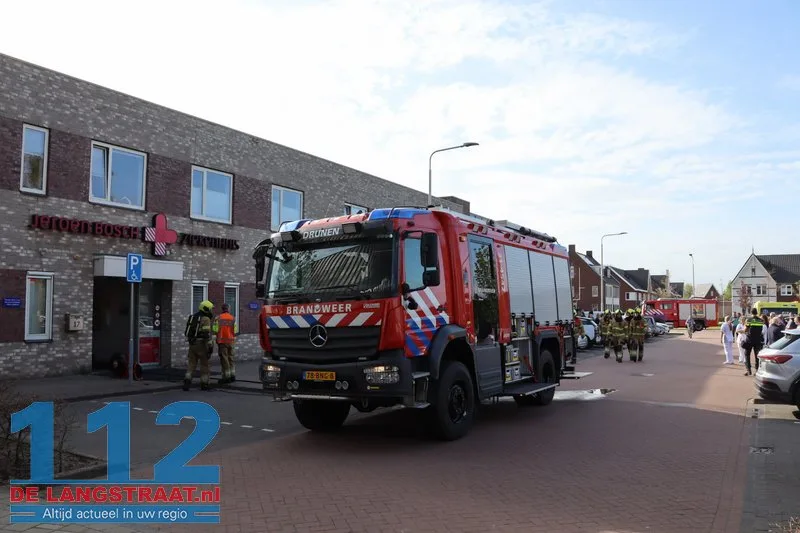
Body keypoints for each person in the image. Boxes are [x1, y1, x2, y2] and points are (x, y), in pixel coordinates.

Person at [184, 300, 215, 391]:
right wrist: (210, 346)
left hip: (192, 344)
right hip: (202, 344)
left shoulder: (193, 317)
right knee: (204, 365)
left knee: (191, 364)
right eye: (210, 309)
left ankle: (187, 380)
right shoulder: (206, 319)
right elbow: (206, 334)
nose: (211, 311)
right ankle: (204, 384)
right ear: (206, 309)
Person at [213, 303, 239, 384]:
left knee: (224, 359)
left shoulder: (218, 318)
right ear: (228, 309)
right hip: (231, 341)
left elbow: (215, 330)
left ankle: (226, 377)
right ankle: (232, 375)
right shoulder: (232, 318)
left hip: (222, 341)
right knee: (231, 358)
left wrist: (215, 323)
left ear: (222, 309)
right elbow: (235, 331)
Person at [742, 308, 765, 376]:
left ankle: (749, 371)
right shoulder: (761, 320)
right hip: (758, 340)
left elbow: (746, 330)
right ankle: (757, 370)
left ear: (751, 313)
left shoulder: (749, 320)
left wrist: (742, 330)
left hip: (749, 340)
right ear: (757, 312)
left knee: (747, 355)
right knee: (757, 356)